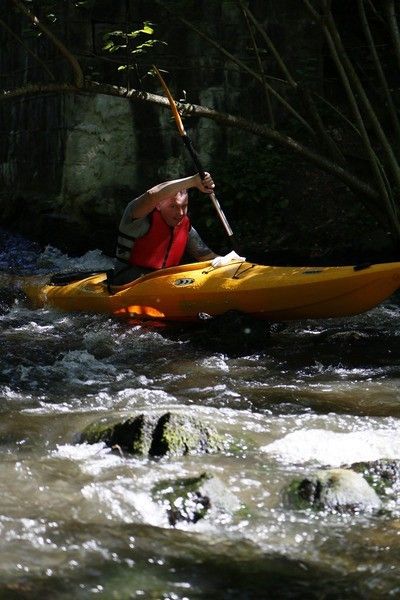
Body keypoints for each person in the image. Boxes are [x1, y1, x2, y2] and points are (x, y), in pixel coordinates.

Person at [112, 172, 218, 285]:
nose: (181, 213)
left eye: (184, 206)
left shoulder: (184, 226)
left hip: (164, 284)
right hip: (127, 284)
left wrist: (234, 263)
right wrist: (193, 181)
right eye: (173, 206)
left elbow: (208, 257)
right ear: (158, 204)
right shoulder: (137, 219)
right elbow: (152, 195)